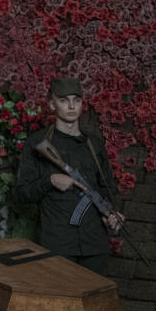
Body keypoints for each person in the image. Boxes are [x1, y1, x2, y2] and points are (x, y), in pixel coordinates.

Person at [16, 78, 122, 276]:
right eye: (64, 100)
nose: (72, 106)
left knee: (96, 302)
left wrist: (112, 213)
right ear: (51, 104)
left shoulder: (94, 144)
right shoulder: (37, 143)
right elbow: (23, 193)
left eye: (77, 100)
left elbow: (107, 188)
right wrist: (49, 181)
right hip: (58, 244)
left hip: (94, 244)